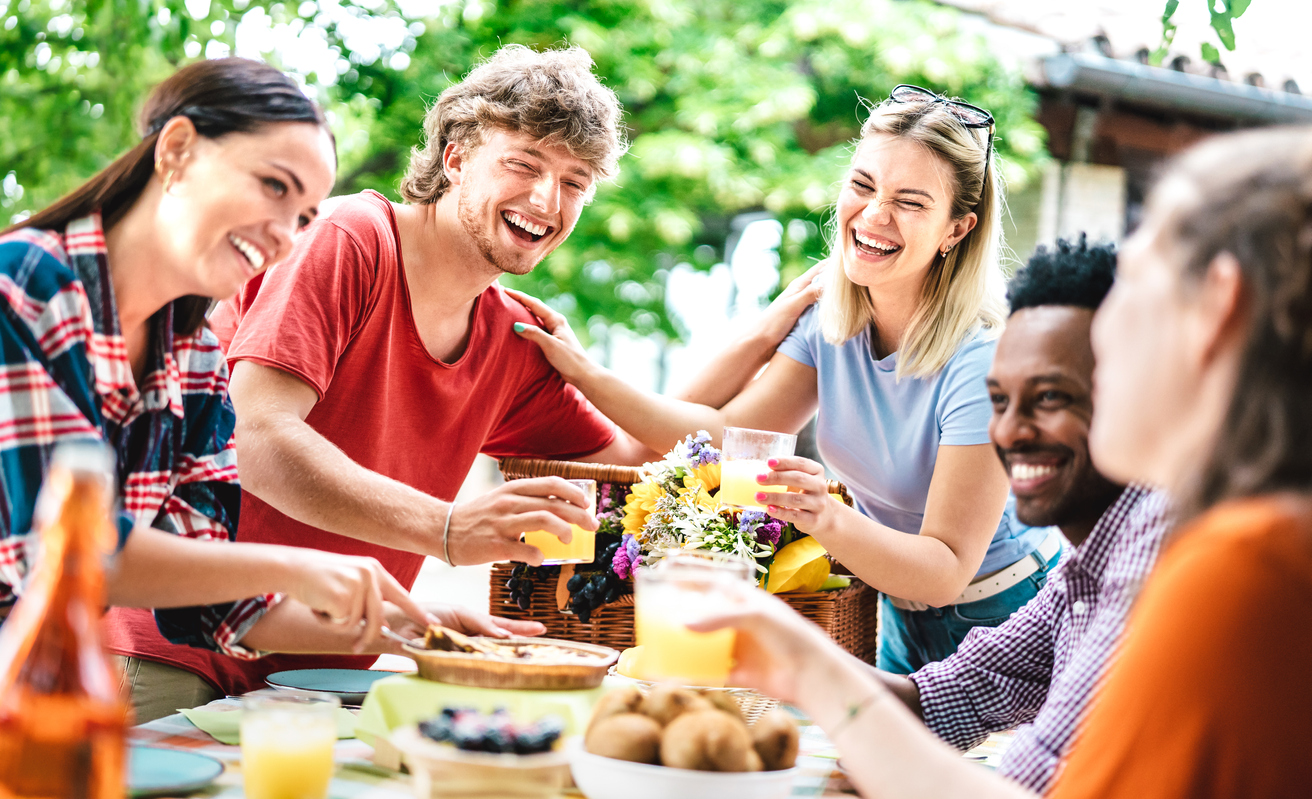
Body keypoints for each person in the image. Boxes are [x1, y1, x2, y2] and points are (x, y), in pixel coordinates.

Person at [693, 126, 1312, 799]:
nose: (1100, 329)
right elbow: (957, 697)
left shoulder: (1240, 562)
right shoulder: (1131, 541)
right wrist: (793, 653)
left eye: (1133, 283)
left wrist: (810, 671)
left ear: (1219, 305)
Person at [104, 45, 659, 701]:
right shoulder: (351, 237)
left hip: (322, 676)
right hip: (169, 656)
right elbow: (255, 436)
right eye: (524, 163)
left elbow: (641, 459)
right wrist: (447, 528)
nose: (547, 198)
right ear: (455, 158)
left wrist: (766, 336)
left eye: (575, 182)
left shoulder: (513, 338)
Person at [513, 84, 1055, 672]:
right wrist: (584, 372)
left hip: (1007, 615)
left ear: (958, 229)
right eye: (863, 185)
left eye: (911, 202)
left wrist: (825, 514)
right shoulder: (833, 322)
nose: (874, 216)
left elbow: (947, 569)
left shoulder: (982, 363)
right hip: (898, 612)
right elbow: (716, 437)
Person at [0, 58, 460, 721]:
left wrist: (418, 629)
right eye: (273, 186)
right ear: (178, 150)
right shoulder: (27, 286)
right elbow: (67, 548)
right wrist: (291, 564)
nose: (285, 233)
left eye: (304, 215)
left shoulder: (192, 358)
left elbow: (215, 602)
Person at [882, 235, 1168, 792]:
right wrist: (781, 650)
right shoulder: (1088, 562)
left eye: (1050, 398)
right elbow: (950, 695)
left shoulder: (1153, 558)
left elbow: (1035, 784)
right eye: (1000, 400)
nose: (1010, 431)